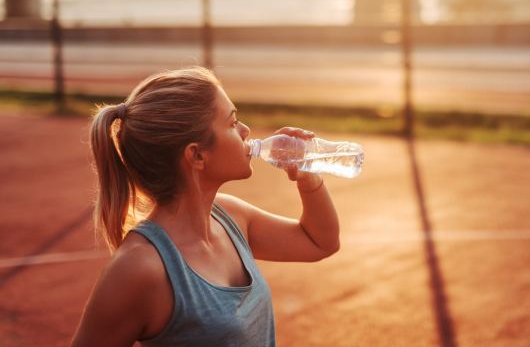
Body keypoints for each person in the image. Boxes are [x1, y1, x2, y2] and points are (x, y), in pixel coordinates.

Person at [71, 67, 340, 346]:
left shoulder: (231, 217)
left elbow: (320, 242)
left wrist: (308, 175)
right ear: (197, 155)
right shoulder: (140, 267)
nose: (245, 130)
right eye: (232, 122)